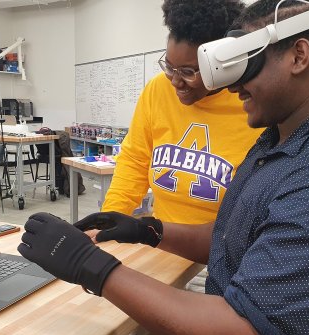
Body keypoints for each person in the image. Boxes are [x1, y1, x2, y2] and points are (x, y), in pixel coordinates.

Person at [18, 1, 309, 335]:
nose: (233, 84)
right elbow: (235, 236)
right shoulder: (281, 139)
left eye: (246, 64)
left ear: (299, 56)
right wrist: (150, 230)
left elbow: (244, 334)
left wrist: (88, 264)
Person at [102, 0, 263, 225]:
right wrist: (108, 219)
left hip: (219, 252)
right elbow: (135, 161)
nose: (176, 82)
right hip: (161, 242)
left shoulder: (254, 106)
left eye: (189, 72)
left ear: (223, 62)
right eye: (169, 67)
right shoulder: (157, 90)